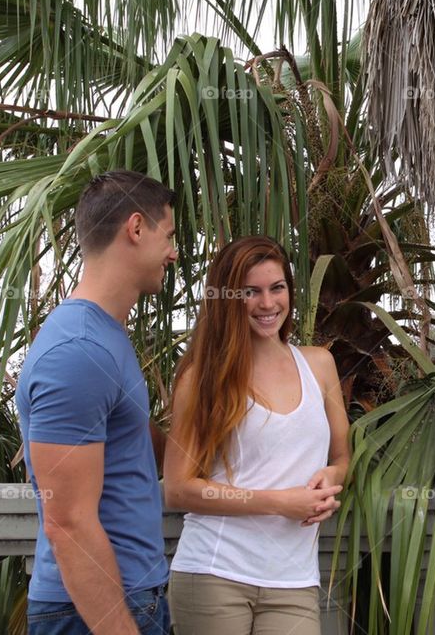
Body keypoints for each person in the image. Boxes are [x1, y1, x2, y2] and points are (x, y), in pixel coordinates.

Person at [16, 170, 178, 634]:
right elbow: (67, 523)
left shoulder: (103, 336)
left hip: (124, 596)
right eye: (167, 235)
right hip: (92, 610)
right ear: (135, 228)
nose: (173, 252)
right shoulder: (79, 351)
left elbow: (128, 441)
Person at [164, 235, 350, 635]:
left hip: (295, 581)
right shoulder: (203, 378)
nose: (268, 304)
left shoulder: (319, 365)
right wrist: (280, 502)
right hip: (215, 574)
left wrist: (331, 479)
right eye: (251, 292)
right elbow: (178, 489)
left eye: (277, 288)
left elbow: (342, 459)